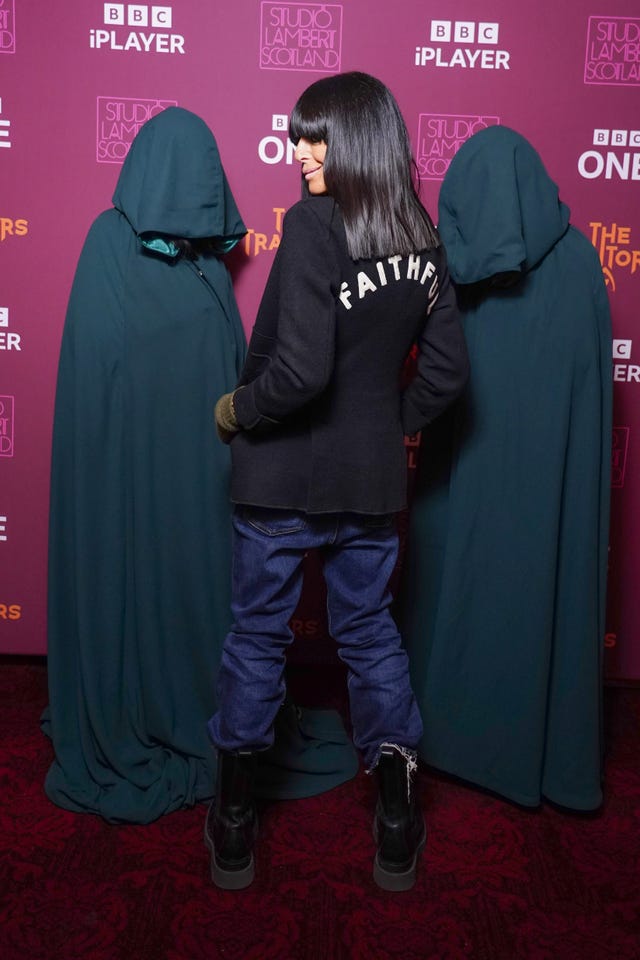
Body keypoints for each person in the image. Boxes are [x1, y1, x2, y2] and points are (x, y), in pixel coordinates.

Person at [43, 107, 357, 824]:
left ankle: (213, 708)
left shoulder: (208, 269)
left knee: (205, 589)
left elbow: (233, 381)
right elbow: (93, 387)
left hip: (200, 485)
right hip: (126, 485)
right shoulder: (108, 249)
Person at [206, 72, 470, 891]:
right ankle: (396, 818)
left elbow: (299, 371)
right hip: (370, 483)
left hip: (284, 478)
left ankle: (236, 818)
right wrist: (390, 427)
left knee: (257, 638)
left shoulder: (318, 223)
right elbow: (448, 372)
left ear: (357, 140)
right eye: (297, 136)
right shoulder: (420, 236)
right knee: (369, 633)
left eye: (317, 137)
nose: (301, 153)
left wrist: (235, 409)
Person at [400, 125, 612, 811]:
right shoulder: (581, 265)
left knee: (450, 564)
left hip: (468, 477)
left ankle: (440, 733)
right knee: (526, 572)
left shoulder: (456, 266)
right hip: (525, 486)